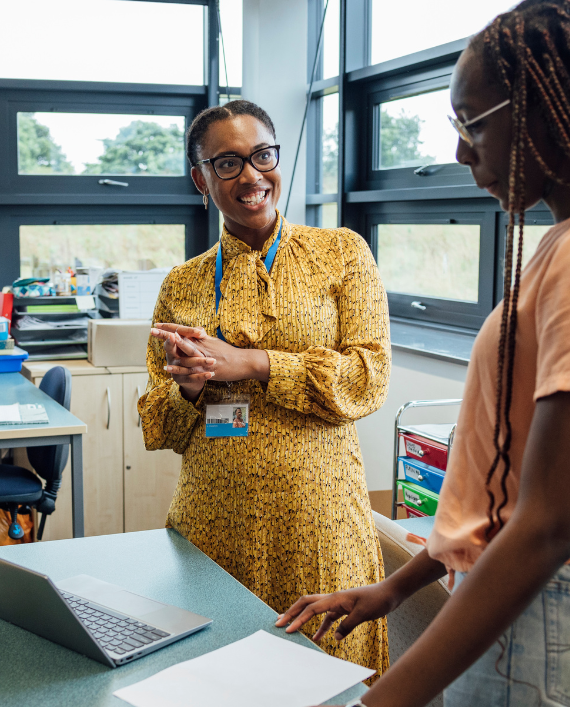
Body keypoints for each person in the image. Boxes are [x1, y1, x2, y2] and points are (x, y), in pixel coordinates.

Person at [196, 2, 570, 707]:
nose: (460, 149)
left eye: (472, 123)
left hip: (548, 608)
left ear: (543, 113)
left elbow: (545, 525)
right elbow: (512, 495)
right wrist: (400, 587)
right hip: (539, 602)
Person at [138, 100, 391, 674]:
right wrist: (190, 390)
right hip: (212, 522)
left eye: (262, 156)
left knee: (329, 679)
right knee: (217, 679)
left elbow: (368, 377)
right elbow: (158, 420)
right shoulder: (184, 283)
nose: (251, 176)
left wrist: (253, 364)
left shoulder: (342, 254)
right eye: (227, 164)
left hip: (320, 520)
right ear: (200, 178)